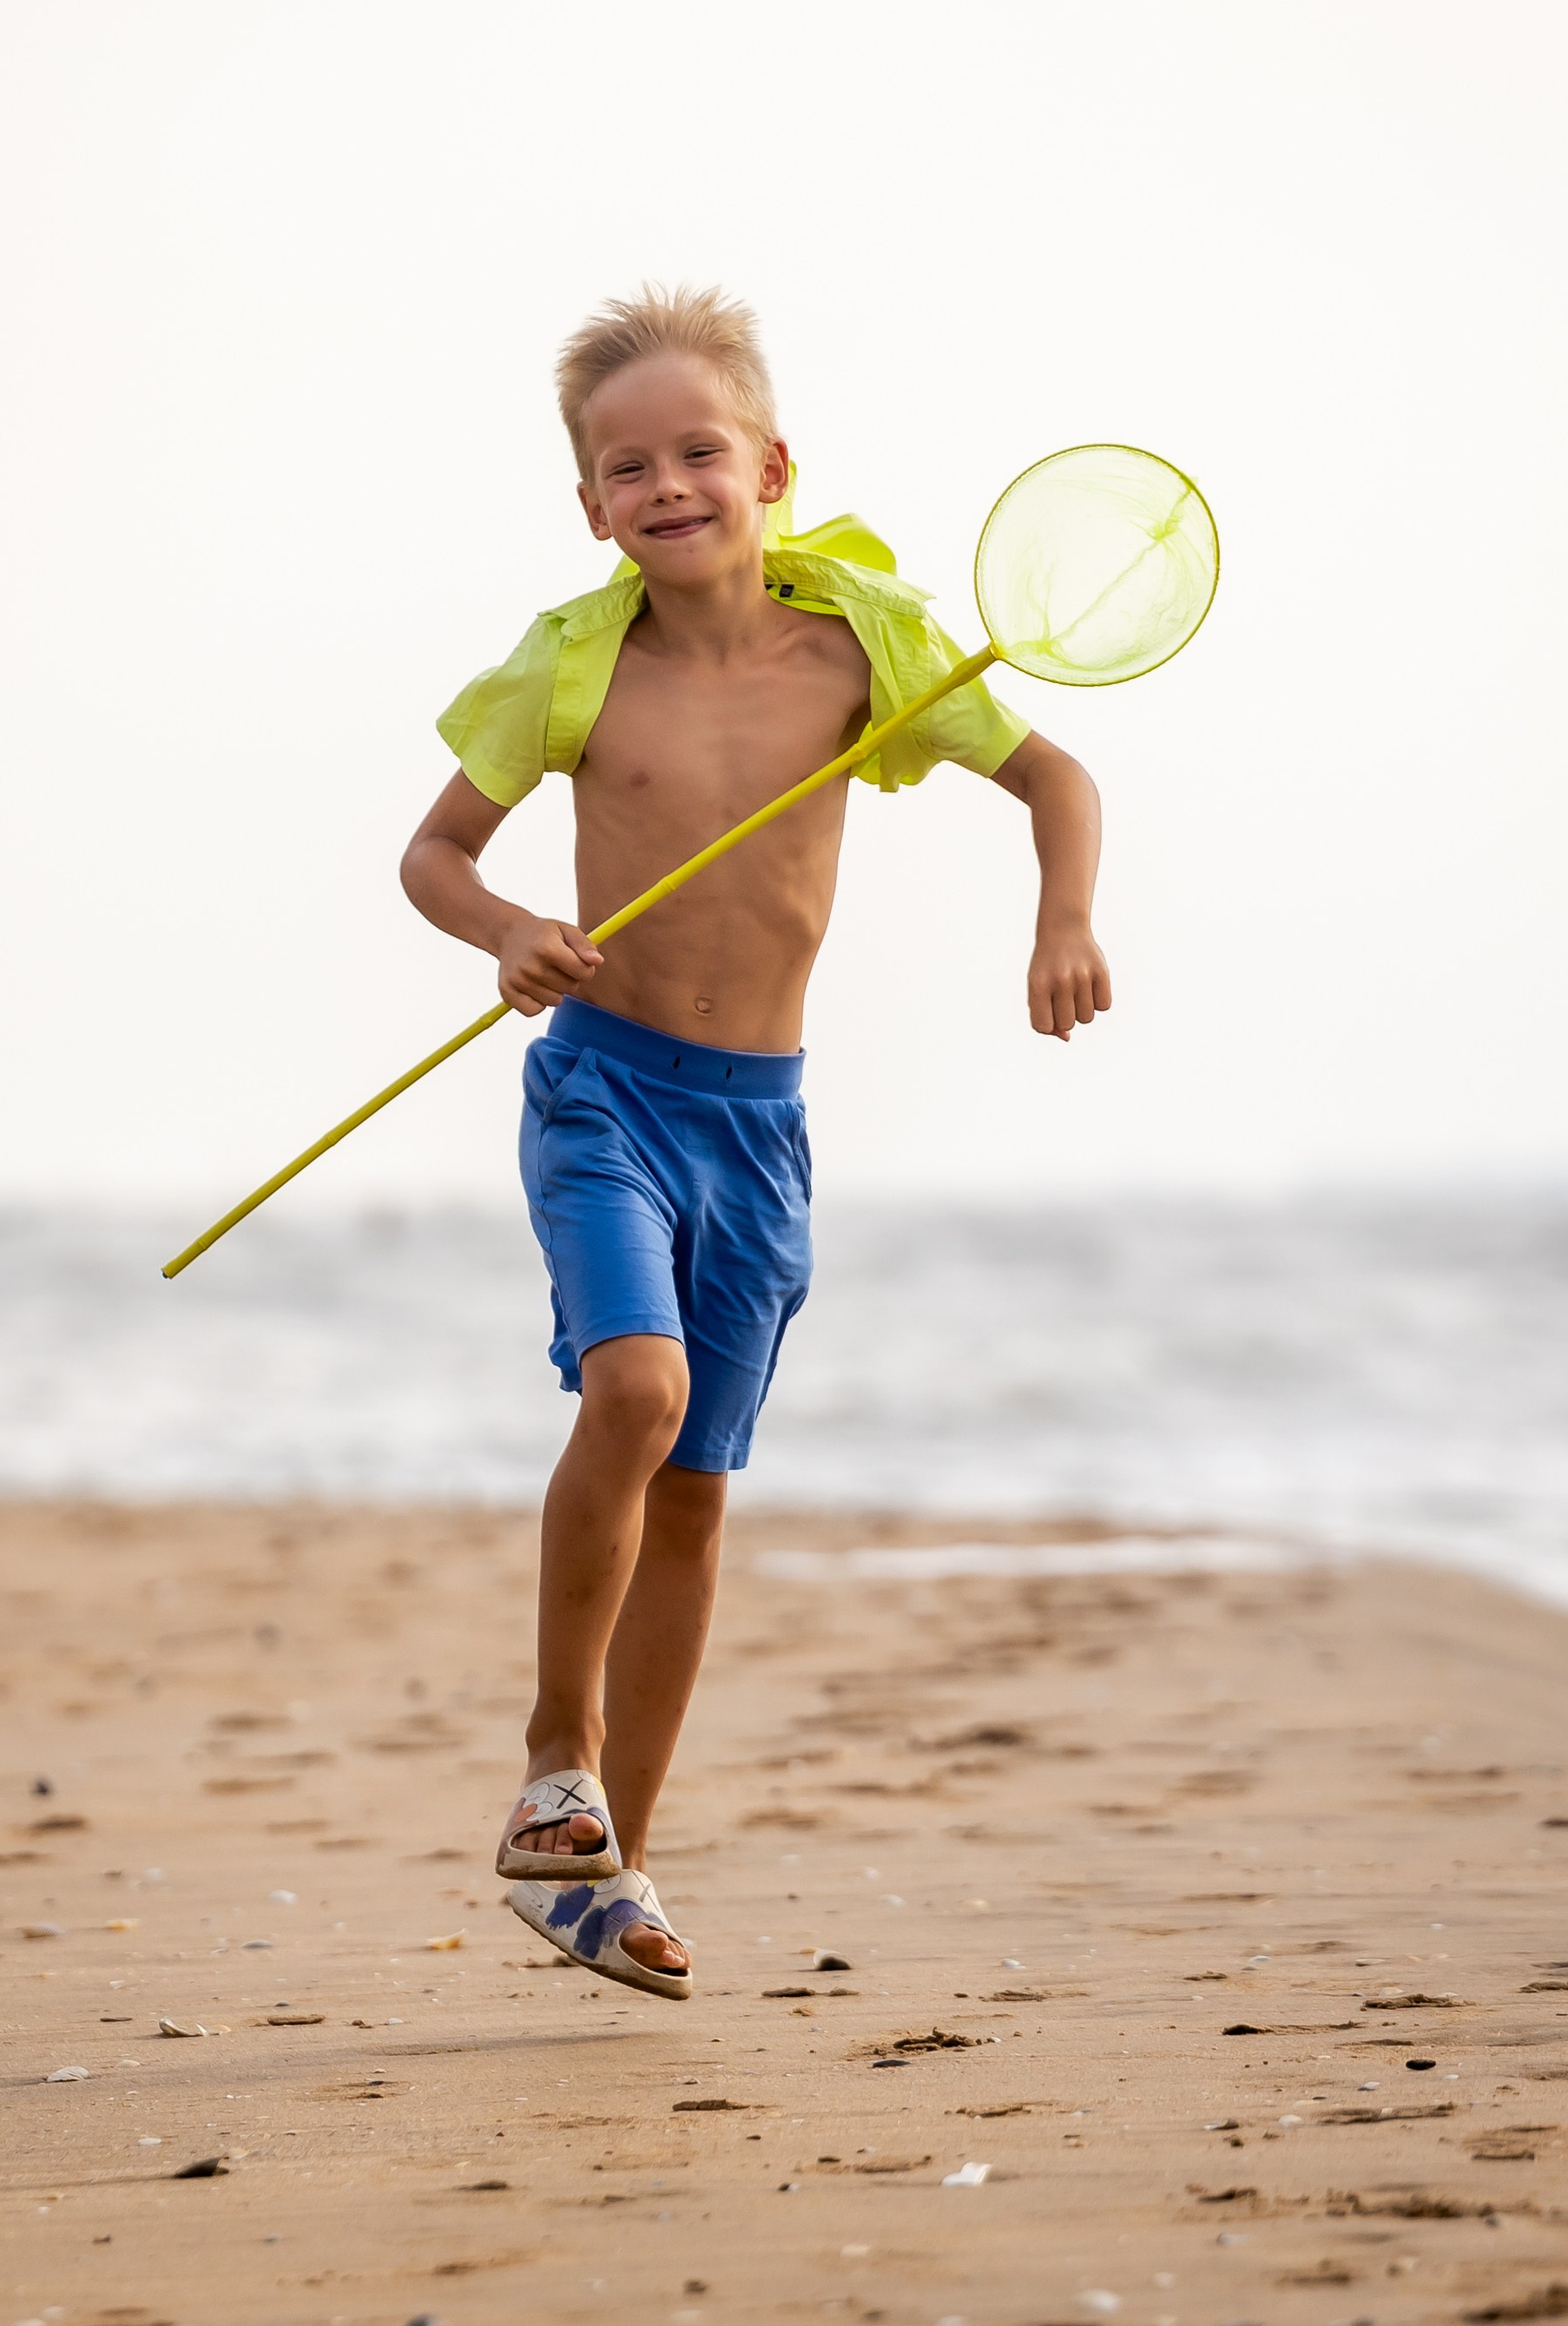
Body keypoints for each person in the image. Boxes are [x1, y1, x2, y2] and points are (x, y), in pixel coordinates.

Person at [399, 287, 1109, 1997]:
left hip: (760, 1124)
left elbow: (1056, 781)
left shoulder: (862, 648)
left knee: (698, 1499)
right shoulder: (569, 666)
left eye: (696, 452)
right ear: (591, 506)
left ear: (771, 469)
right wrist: (507, 931)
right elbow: (433, 853)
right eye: (625, 466)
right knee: (633, 1396)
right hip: (606, 1091)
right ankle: (555, 1759)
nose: (666, 485)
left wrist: (1062, 922)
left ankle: (605, 1873)